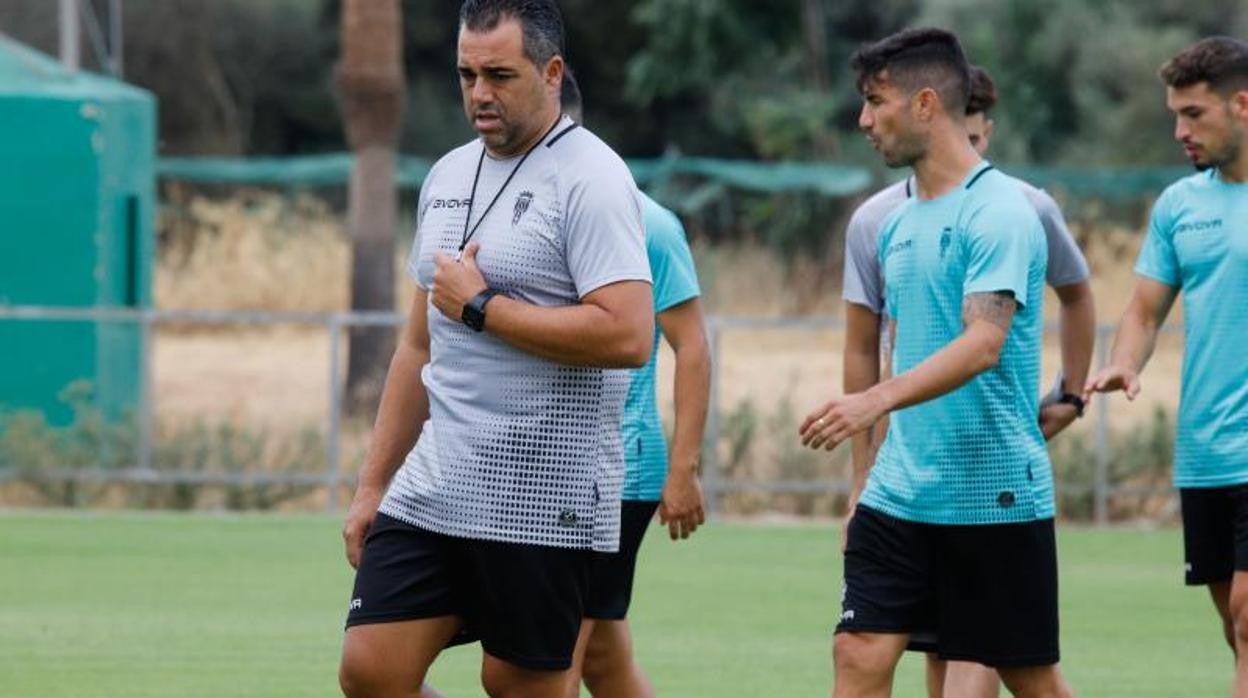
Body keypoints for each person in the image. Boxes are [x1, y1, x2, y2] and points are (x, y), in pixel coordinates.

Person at [336, 1, 654, 696]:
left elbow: (629, 334)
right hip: (438, 484)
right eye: (466, 74)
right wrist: (370, 486)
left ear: (551, 71)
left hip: (545, 494)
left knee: (519, 686)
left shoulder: (593, 180)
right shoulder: (447, 175)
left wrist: (485, 308)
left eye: (500, 75)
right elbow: (417, 347)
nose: (480, 93)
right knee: (370, 670)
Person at [799, 28, 1074, 697]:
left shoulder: (1002, 211)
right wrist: (864, 476)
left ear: (925, 105)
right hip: (901, 492)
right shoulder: (892, 223)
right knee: (858, 653)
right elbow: (892, 341)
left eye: (875, 101)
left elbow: (984, 343)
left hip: (994, 496)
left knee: (1029, 678)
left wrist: (874, 400)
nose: (864, 120)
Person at [1085, 36, 1248, 697]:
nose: (1180, 131)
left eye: (1194, 114)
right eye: (1174, 116)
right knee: (1234, 631)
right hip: (1206, 452)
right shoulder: (1180, 206)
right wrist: (1123, 362)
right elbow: (1144, 313)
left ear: (1243, 104)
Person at [559, 71, 712, 698]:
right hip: (543, 467)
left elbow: (693, 346)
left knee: (554, 663)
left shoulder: (648, 223)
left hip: (617, 472)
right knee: (602, 660)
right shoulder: (526, 212)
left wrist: (683, 469)